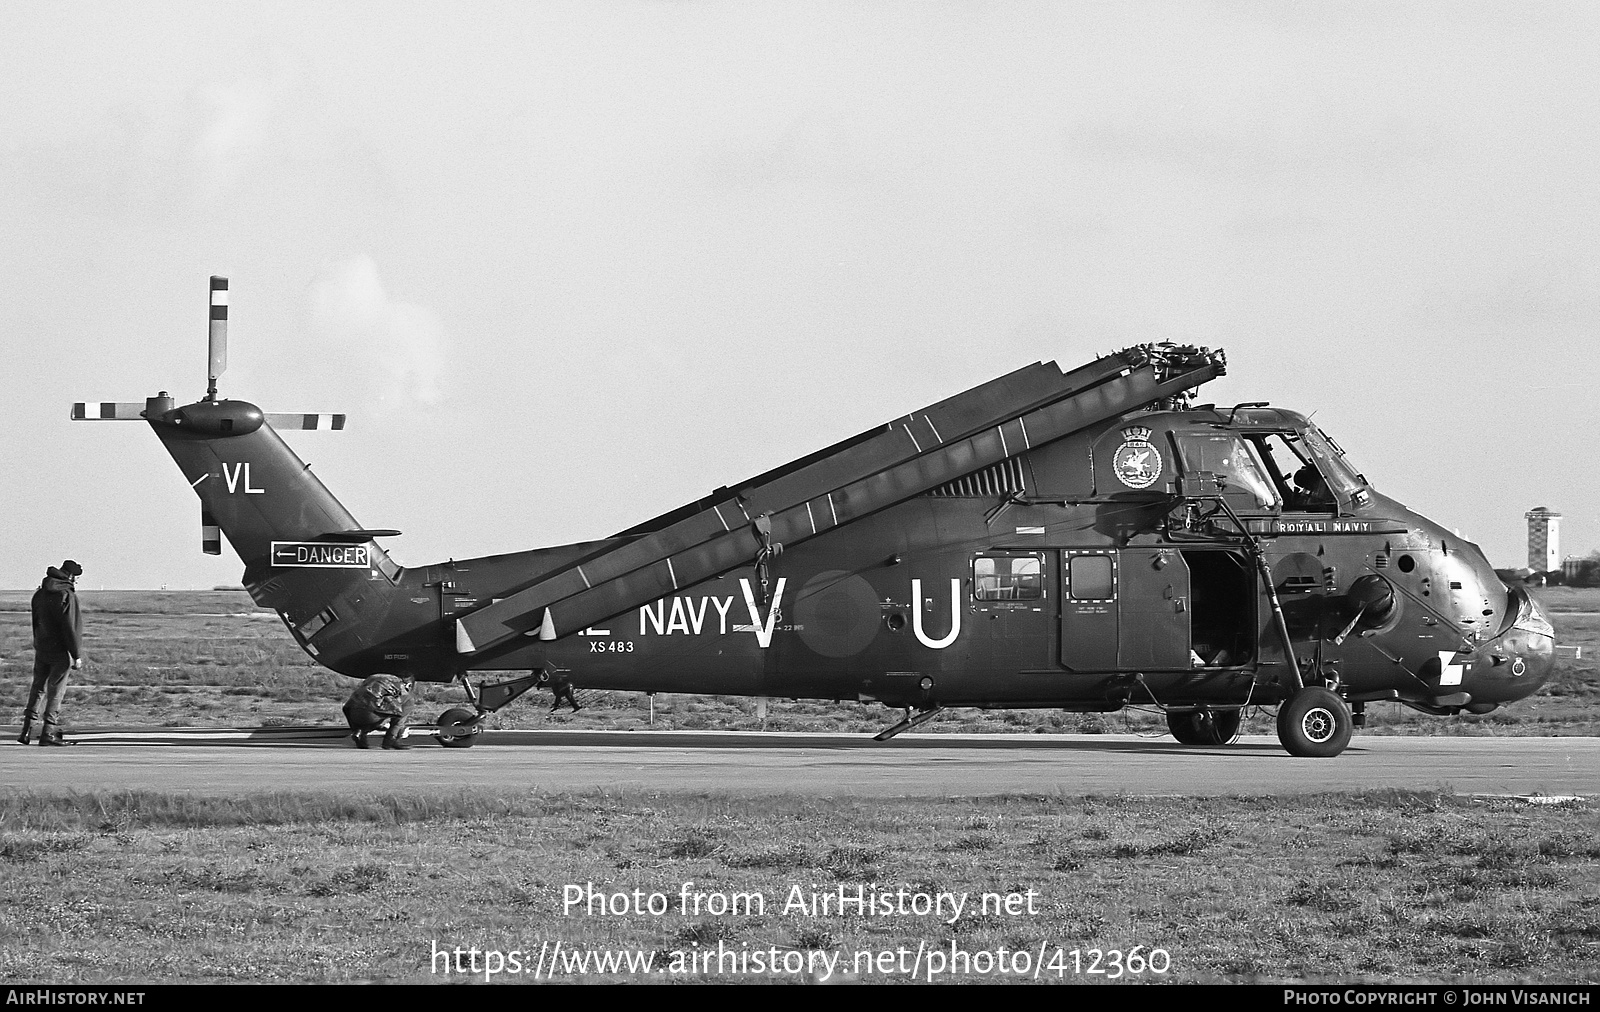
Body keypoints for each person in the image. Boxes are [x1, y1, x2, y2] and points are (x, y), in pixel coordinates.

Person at [21, 560, 84, 746]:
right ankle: (48, 732)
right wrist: (76, 654)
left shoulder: (40, 593)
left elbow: (35, 621)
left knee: (38, 688)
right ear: (71, 577)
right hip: (59, 651)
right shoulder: (66, 595)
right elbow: (71, 627)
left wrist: (38, 643)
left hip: (41, 647)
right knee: (56, 690)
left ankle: (26, 731)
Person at [342, 673, 415, 750]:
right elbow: (398, 712)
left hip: (351, 713)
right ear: (409, 685)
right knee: (406, 705)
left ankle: (359, 732)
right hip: (370, 715)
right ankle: (391, 741)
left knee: (372, 710)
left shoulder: (374, 679)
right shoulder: (402, 689)